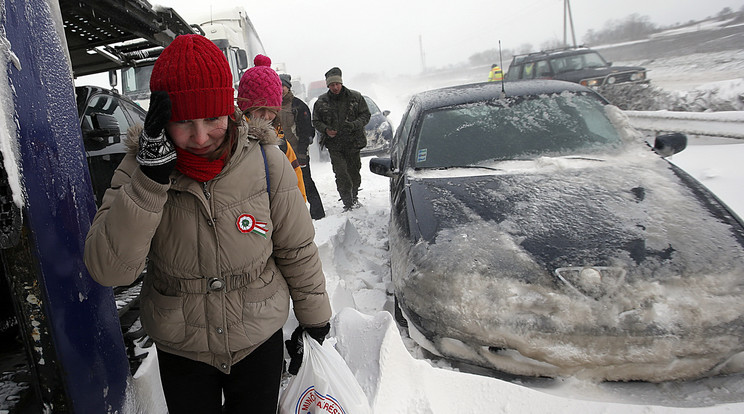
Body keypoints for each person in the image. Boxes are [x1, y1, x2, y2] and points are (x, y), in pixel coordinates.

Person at [83, 34, 331, 414]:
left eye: (212, 119)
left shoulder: (267, 161)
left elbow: (296, 249)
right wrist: (150, 184)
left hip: (257, 338)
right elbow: (109, 270)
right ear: (164, 118)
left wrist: (315, 318)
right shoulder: (137, 170)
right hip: (183, 347)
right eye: (183, 122)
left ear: (229, 110)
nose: (200, 137)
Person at [237, 55, 306, 202]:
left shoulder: (281, 142)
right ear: (246, 108)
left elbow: (296, 180)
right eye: (260, 109)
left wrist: (300, 209)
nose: (267, 116)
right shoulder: (233, 140)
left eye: (273, 110)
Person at [312, 67, 371, 211]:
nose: (335, 87)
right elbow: (316, 121)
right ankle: (347, 202)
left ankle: (354, 195)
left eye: (337, 84)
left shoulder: (356, 97)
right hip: (335, 145)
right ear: (328, 86)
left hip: (353, 142)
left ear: (341, 83)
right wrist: (326, 129)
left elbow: (365, 115)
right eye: (332, 85)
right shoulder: (321, 102)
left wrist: (354, 125)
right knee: (341, 173)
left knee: (354, 171)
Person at [279, 73, 325, 220]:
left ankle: (318, 213)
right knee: (284, 185)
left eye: (283, 86)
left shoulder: (298, 105)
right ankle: (294, 214)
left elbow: (306, 131)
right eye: (278, 86)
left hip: (298, 152)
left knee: (305, 182)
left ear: (288, 87)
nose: (281, 89)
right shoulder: (271, 106)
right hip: (280, 153)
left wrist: (302, 154)